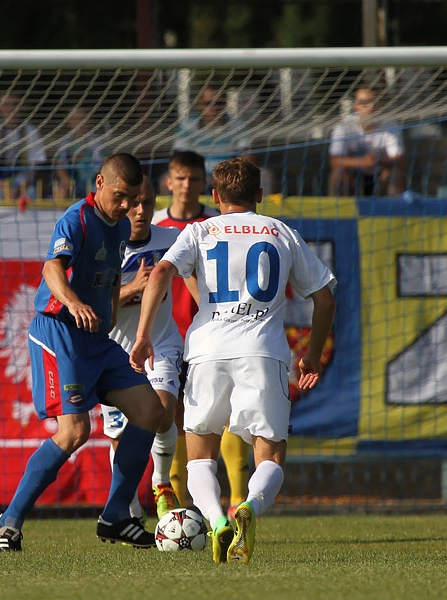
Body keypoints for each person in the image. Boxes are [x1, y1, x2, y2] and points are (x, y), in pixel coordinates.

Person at [131, 158, 336, 564]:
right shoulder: (281, 232)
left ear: (215, 196)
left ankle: (215, 520)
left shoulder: (199, 230)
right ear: (260, 195)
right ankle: (247, 508)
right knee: (271, 454)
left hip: (206, 349)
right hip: (262, 350)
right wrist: (311, 356)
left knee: (199, 453)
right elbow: (325, 296)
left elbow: (158, 275)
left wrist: (142, 338)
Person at [0, 153, 163, 552]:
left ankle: (116, 515)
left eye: (135, 199)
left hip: (98, 341)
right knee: (75, 432)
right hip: (59, 333)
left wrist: (117, 327)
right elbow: (52, 269)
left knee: (152, 412)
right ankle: (9, 521)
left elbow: (110, 282)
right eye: (121, 196)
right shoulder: (76, 219)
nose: (128, 207)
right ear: (99, 183)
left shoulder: (119, 226)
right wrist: (72, 303)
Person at [153, 150, 251, 516]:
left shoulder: (216, 226)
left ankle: (237, 500)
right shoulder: (155, 226)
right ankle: (177, 510)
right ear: (169, 182)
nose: (186, 185)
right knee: (175, 418)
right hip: (169, 335)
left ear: (205, 186)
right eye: (180, 178)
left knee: (228, 415)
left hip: (211, 334)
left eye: (194, 179)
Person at [102, 176, 182, 522]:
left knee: (162, 413)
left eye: (146, 203)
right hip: (115, 351)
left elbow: (196, 279)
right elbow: (92, 306)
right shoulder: (104, 247)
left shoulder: (172, 239)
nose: (139, 210)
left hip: (160, 344)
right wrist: (132, 287)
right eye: (133, 203)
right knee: (122, 433)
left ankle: (161, 484)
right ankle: (129, 507)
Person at [328, 85, 404, 196]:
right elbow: (335, 160)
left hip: (380, 170)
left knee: (396, 172)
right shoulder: (344, 127)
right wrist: (361, 162)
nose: (371, 107)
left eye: (374, 102)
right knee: (338, 174)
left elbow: (398, 158)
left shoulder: (390, 124)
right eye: (365, 103)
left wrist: (377, 159)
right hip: (353, 172)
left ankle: (393, 209)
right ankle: (341, 211)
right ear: (357, 106)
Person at [173, 85, 254, 185]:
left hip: (230, 173)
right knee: (165, 180)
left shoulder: (237, 125)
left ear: (225, 104)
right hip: (196, 172)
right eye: (208, 103)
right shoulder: (188, 126)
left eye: (219, 103)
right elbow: (180, 156)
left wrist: (231, 173)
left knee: (265, 176)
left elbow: (246, 155)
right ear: (200, 104)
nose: (214, 107)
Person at [0, 92, 49, 201]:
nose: (10, 109)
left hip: (23, 181)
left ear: (21, 106)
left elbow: (36, 165)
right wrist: (1, 185)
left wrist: (22, 187)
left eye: (14, 104)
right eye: (6, 105)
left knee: (30, 196)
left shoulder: (31, 131)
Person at [53, 106, 104, 201]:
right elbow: (59, 166)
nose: (78, 123)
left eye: (81, 118)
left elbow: (104, 163)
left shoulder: (96, 142)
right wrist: (67, 179)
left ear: (88, 120)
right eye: (74, 119)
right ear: (69, 121)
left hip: (93, 179)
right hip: (73, 179)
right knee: (64, 185)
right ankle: (62, 212)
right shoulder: (65, 142)